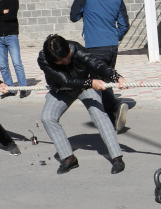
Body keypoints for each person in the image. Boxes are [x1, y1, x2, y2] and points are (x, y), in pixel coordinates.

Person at [38, 34, 126, 175]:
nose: (66, 61)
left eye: (67, 57)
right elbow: (65, 80)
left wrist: (116, 77)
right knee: (48, 117)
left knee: (99, 115)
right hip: (63, 88)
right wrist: (90, 82)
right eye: (61, 61)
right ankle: (69, 159)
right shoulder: (43, 59)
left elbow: (96, 63)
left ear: (69, 49)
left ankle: (117, 158)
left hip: (86, 86)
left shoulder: (76, 48)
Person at [69, 0, 130, 132]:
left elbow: (74, 16)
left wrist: (85, 12)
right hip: (112, 46)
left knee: (97, 83)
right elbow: (124, 25)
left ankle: (115, 108)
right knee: (107, 79)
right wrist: (113, 37)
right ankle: (112, 119)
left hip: (95, 47)